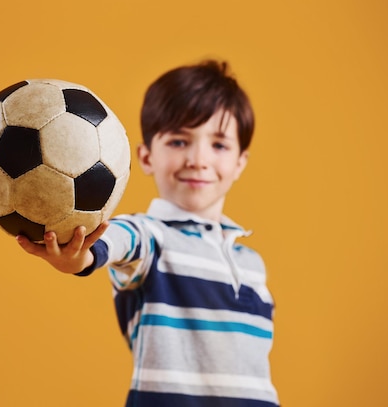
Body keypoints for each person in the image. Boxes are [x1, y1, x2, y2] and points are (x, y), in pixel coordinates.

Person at [17, 59, 279, 407]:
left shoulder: (252, 265)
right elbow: (116, 240)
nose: (198, 159)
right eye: (178, 141)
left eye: (219, 145)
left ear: (240, 163)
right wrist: (81, 257)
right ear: (145, 157)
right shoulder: (150, 237)